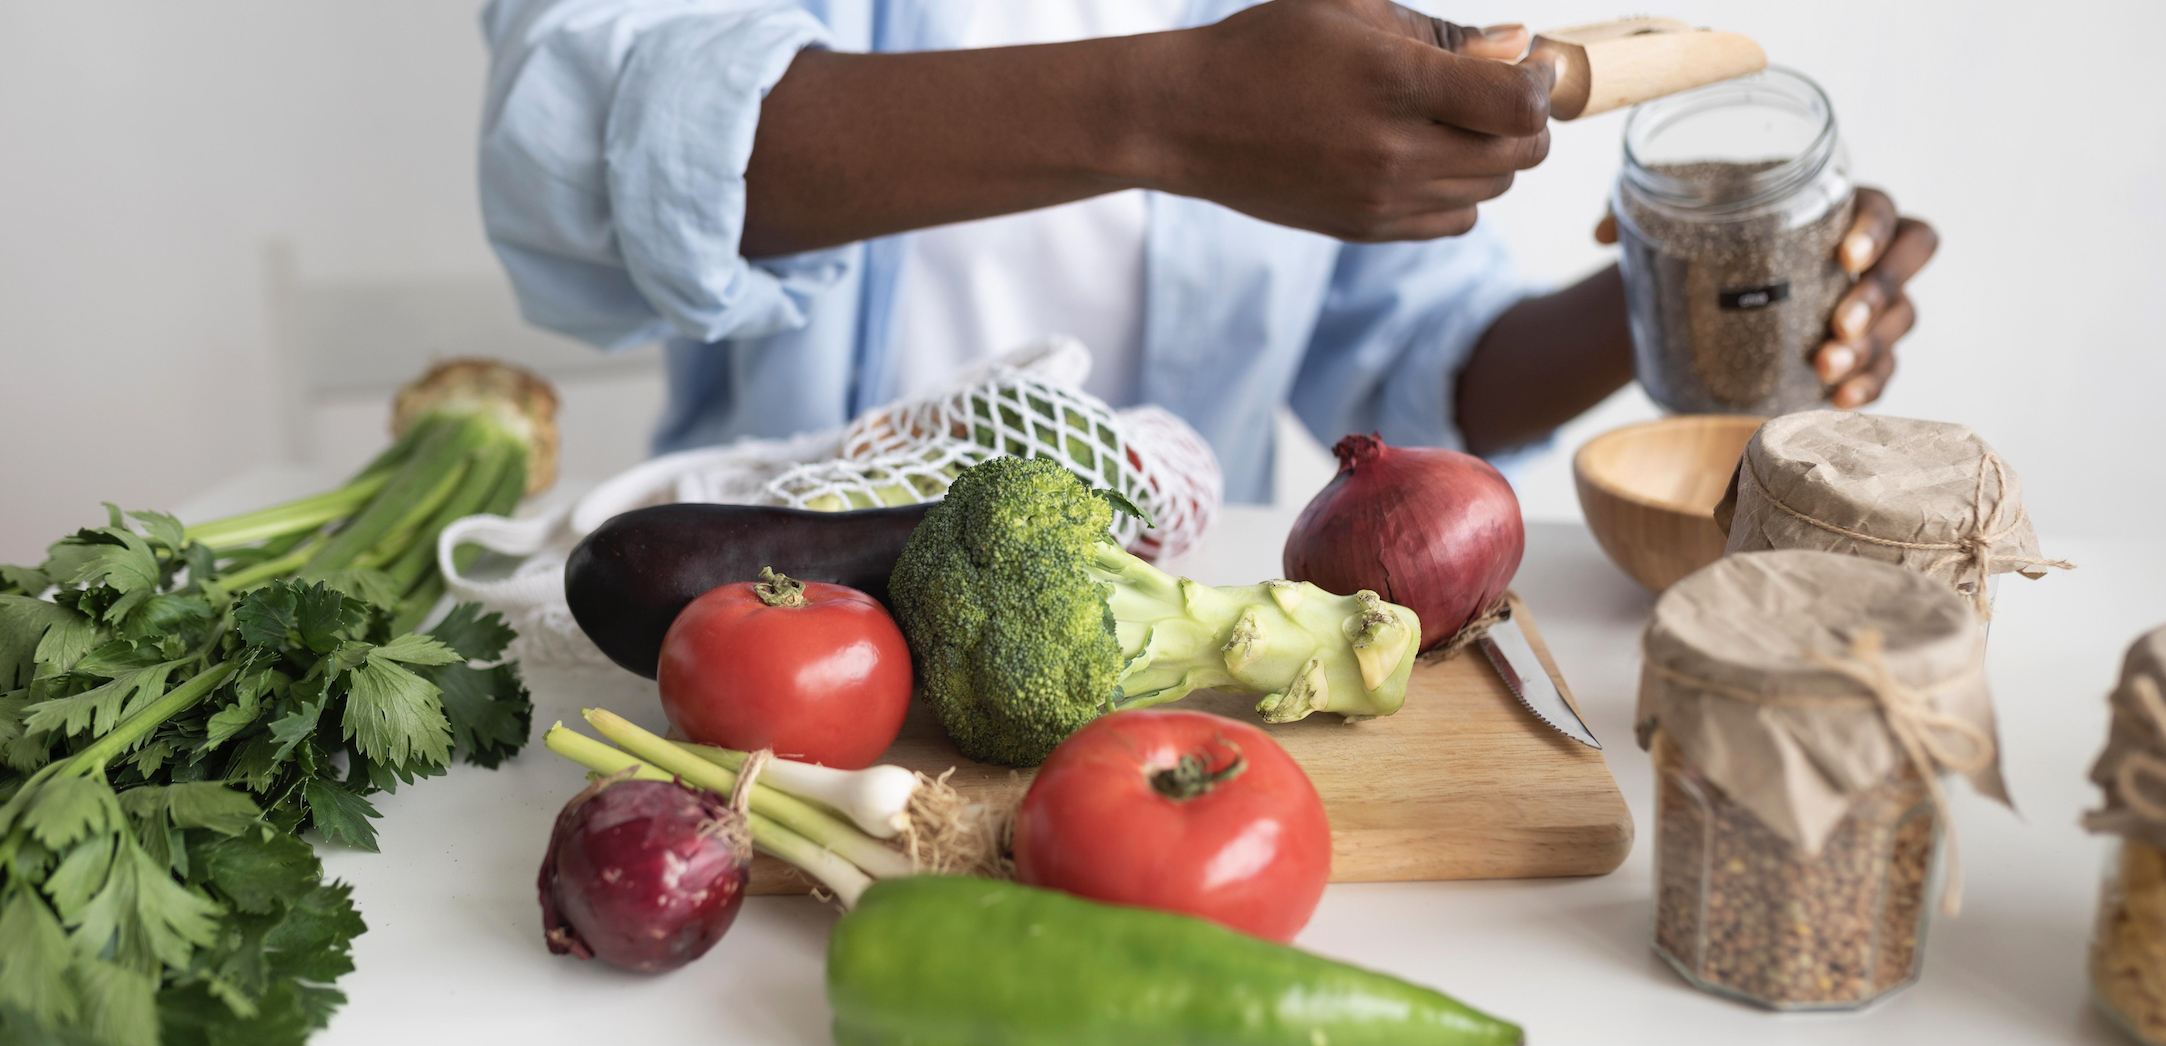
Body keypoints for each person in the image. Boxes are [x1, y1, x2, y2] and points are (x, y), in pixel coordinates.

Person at [478, 0, 1937, 502]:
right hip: (785, 615)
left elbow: (1403, 358)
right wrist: (1171, 112)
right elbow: (592, 144)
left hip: (1180, 656)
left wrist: (1683, 295)